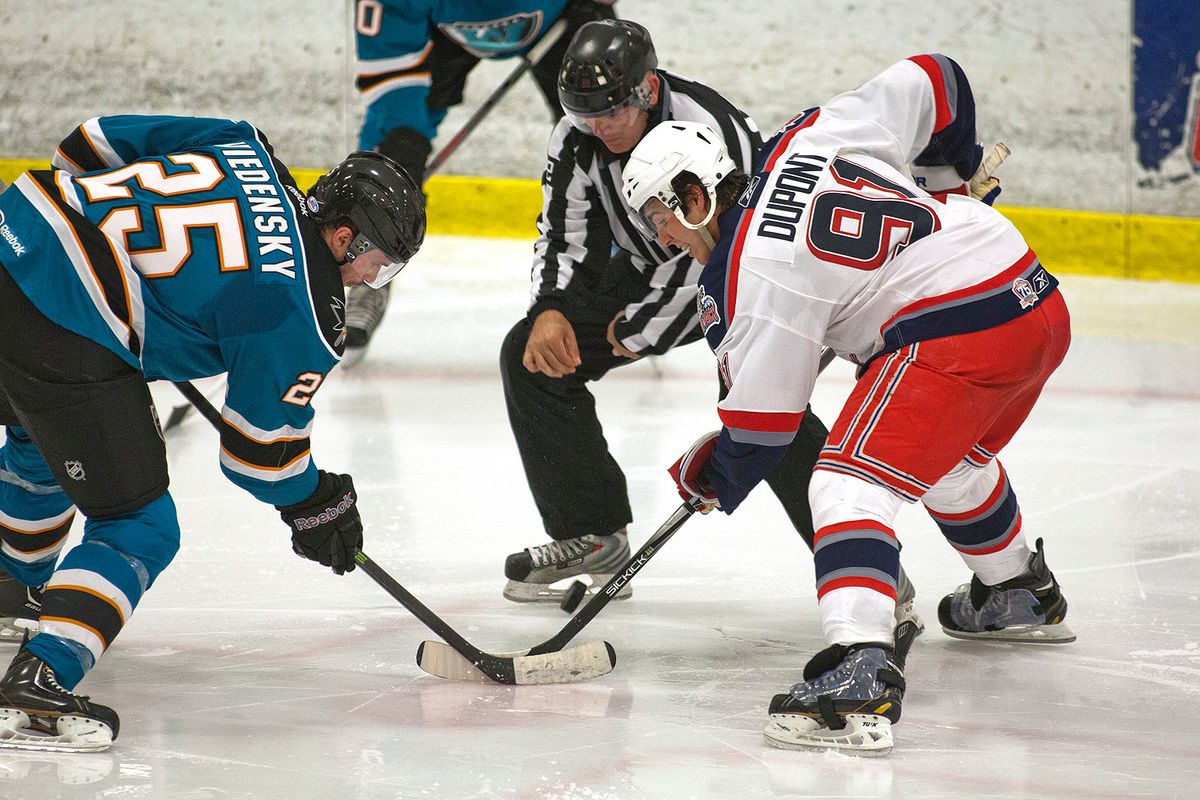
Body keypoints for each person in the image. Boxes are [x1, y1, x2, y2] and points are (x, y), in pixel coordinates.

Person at [621, 53, 1074, 755]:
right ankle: (1015, 590)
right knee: (947, 463)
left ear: (692, 193)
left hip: (956, 330)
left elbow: (766, 429)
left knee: (843, 482)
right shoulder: (808, 136)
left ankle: (860, 669)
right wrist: (950, 180)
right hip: (1033, 298)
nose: (665, 239)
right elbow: (937, 76)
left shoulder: (748, 278)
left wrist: (716, 469)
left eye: (660, 216)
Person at [0, 115, 426, 751]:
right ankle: (39, 677)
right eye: (379, 266)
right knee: (138, 526)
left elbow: (86, 144)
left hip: (13, 230)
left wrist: (142, 270)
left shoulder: (243, 142)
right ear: (342, 236)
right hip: (62, 331)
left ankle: (12, 586)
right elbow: (258, 457)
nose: (371, 281)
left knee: (46, 440)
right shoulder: (302, 308)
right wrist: (314, 502)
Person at [497, 19, 893, 619]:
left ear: (647, 90)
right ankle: (595, 535)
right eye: (584, 116)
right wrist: (550, 308)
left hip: (749, 268)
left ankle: (861, 568)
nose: (598, 128)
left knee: (764, 400)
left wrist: (640, 328)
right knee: (530, 357)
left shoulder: (709, 131)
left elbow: (723, 246)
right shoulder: (578, 134)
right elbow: (565, 232)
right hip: (648, 260)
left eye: (610, 114)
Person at [345, 0, 617, 363]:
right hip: (439, 35)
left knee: (607, 125)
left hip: (563, 16)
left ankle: (624, 267)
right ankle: (368, 269)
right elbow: (393, 94)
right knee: (394, 144)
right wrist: (402, 148)